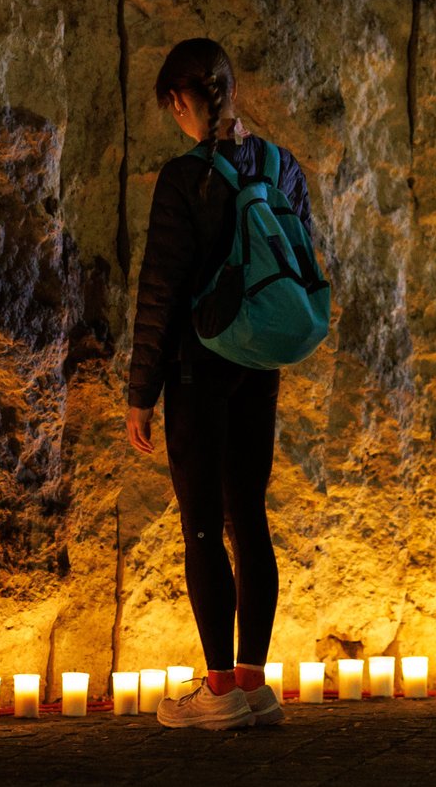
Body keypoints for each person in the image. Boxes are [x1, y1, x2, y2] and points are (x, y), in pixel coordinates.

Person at [126, 36, 316, 731]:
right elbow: (299, 255)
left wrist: (140, 390)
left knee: (203, 523)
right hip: (259, 362)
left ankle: (216, 690)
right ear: (230, 89)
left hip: (200, 365)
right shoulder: (279, 164)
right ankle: (254, 681)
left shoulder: (184, 179)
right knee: (250, 515)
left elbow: (162, 289)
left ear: (181, 99)